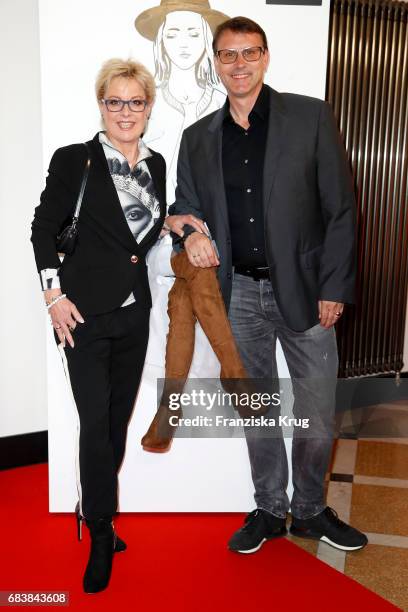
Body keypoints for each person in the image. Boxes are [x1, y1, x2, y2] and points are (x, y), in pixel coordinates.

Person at [165, 17, 368, 553]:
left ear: (265, 56)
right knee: (256, 405)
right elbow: (184, 207)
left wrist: (335, 286)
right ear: (217, 61)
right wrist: (188, 235)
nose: (239, 64)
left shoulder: (310, 117)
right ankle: (269, 508)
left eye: (248, 53)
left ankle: (309, 510)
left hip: (305, 290)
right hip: (237, 295)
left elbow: (341, 211)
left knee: (317, 407)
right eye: (228, 55)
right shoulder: (198, 138)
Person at [31, 57, 182, 594]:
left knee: (116, 421)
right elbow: (44, 228)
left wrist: (175, 220)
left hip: (134, 311)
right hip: (82, 314)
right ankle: (98, 527)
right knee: (95, 421)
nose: (125, 111)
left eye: (135, 102)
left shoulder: (157, 164)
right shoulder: (76, 160)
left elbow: (137, 226)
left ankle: (91, 503)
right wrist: (54, 296)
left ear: (148, 107)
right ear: (101, 104)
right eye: (114, 101)